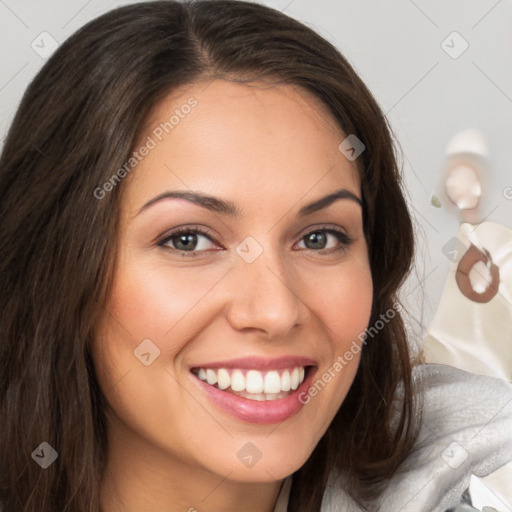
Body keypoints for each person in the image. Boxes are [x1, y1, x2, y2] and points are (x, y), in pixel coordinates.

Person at [0, 1, 510, 511]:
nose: (275, 310)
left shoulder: (471, 470)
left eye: (320, 238)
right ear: (57, 265)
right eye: (188, 240)